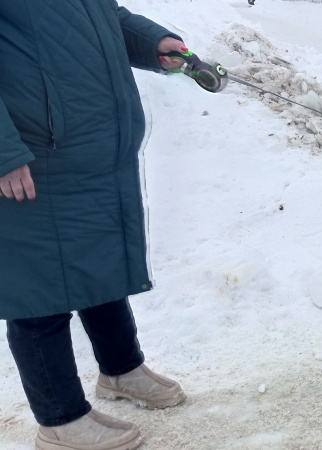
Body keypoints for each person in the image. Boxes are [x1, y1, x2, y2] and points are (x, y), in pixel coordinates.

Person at [1, 3, 191, 450]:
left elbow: (104, 17)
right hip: (33, 154)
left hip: (93, 148)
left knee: (99, 261)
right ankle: (59, 420)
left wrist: (155, 43)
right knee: (39, 287)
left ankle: (121, 370)